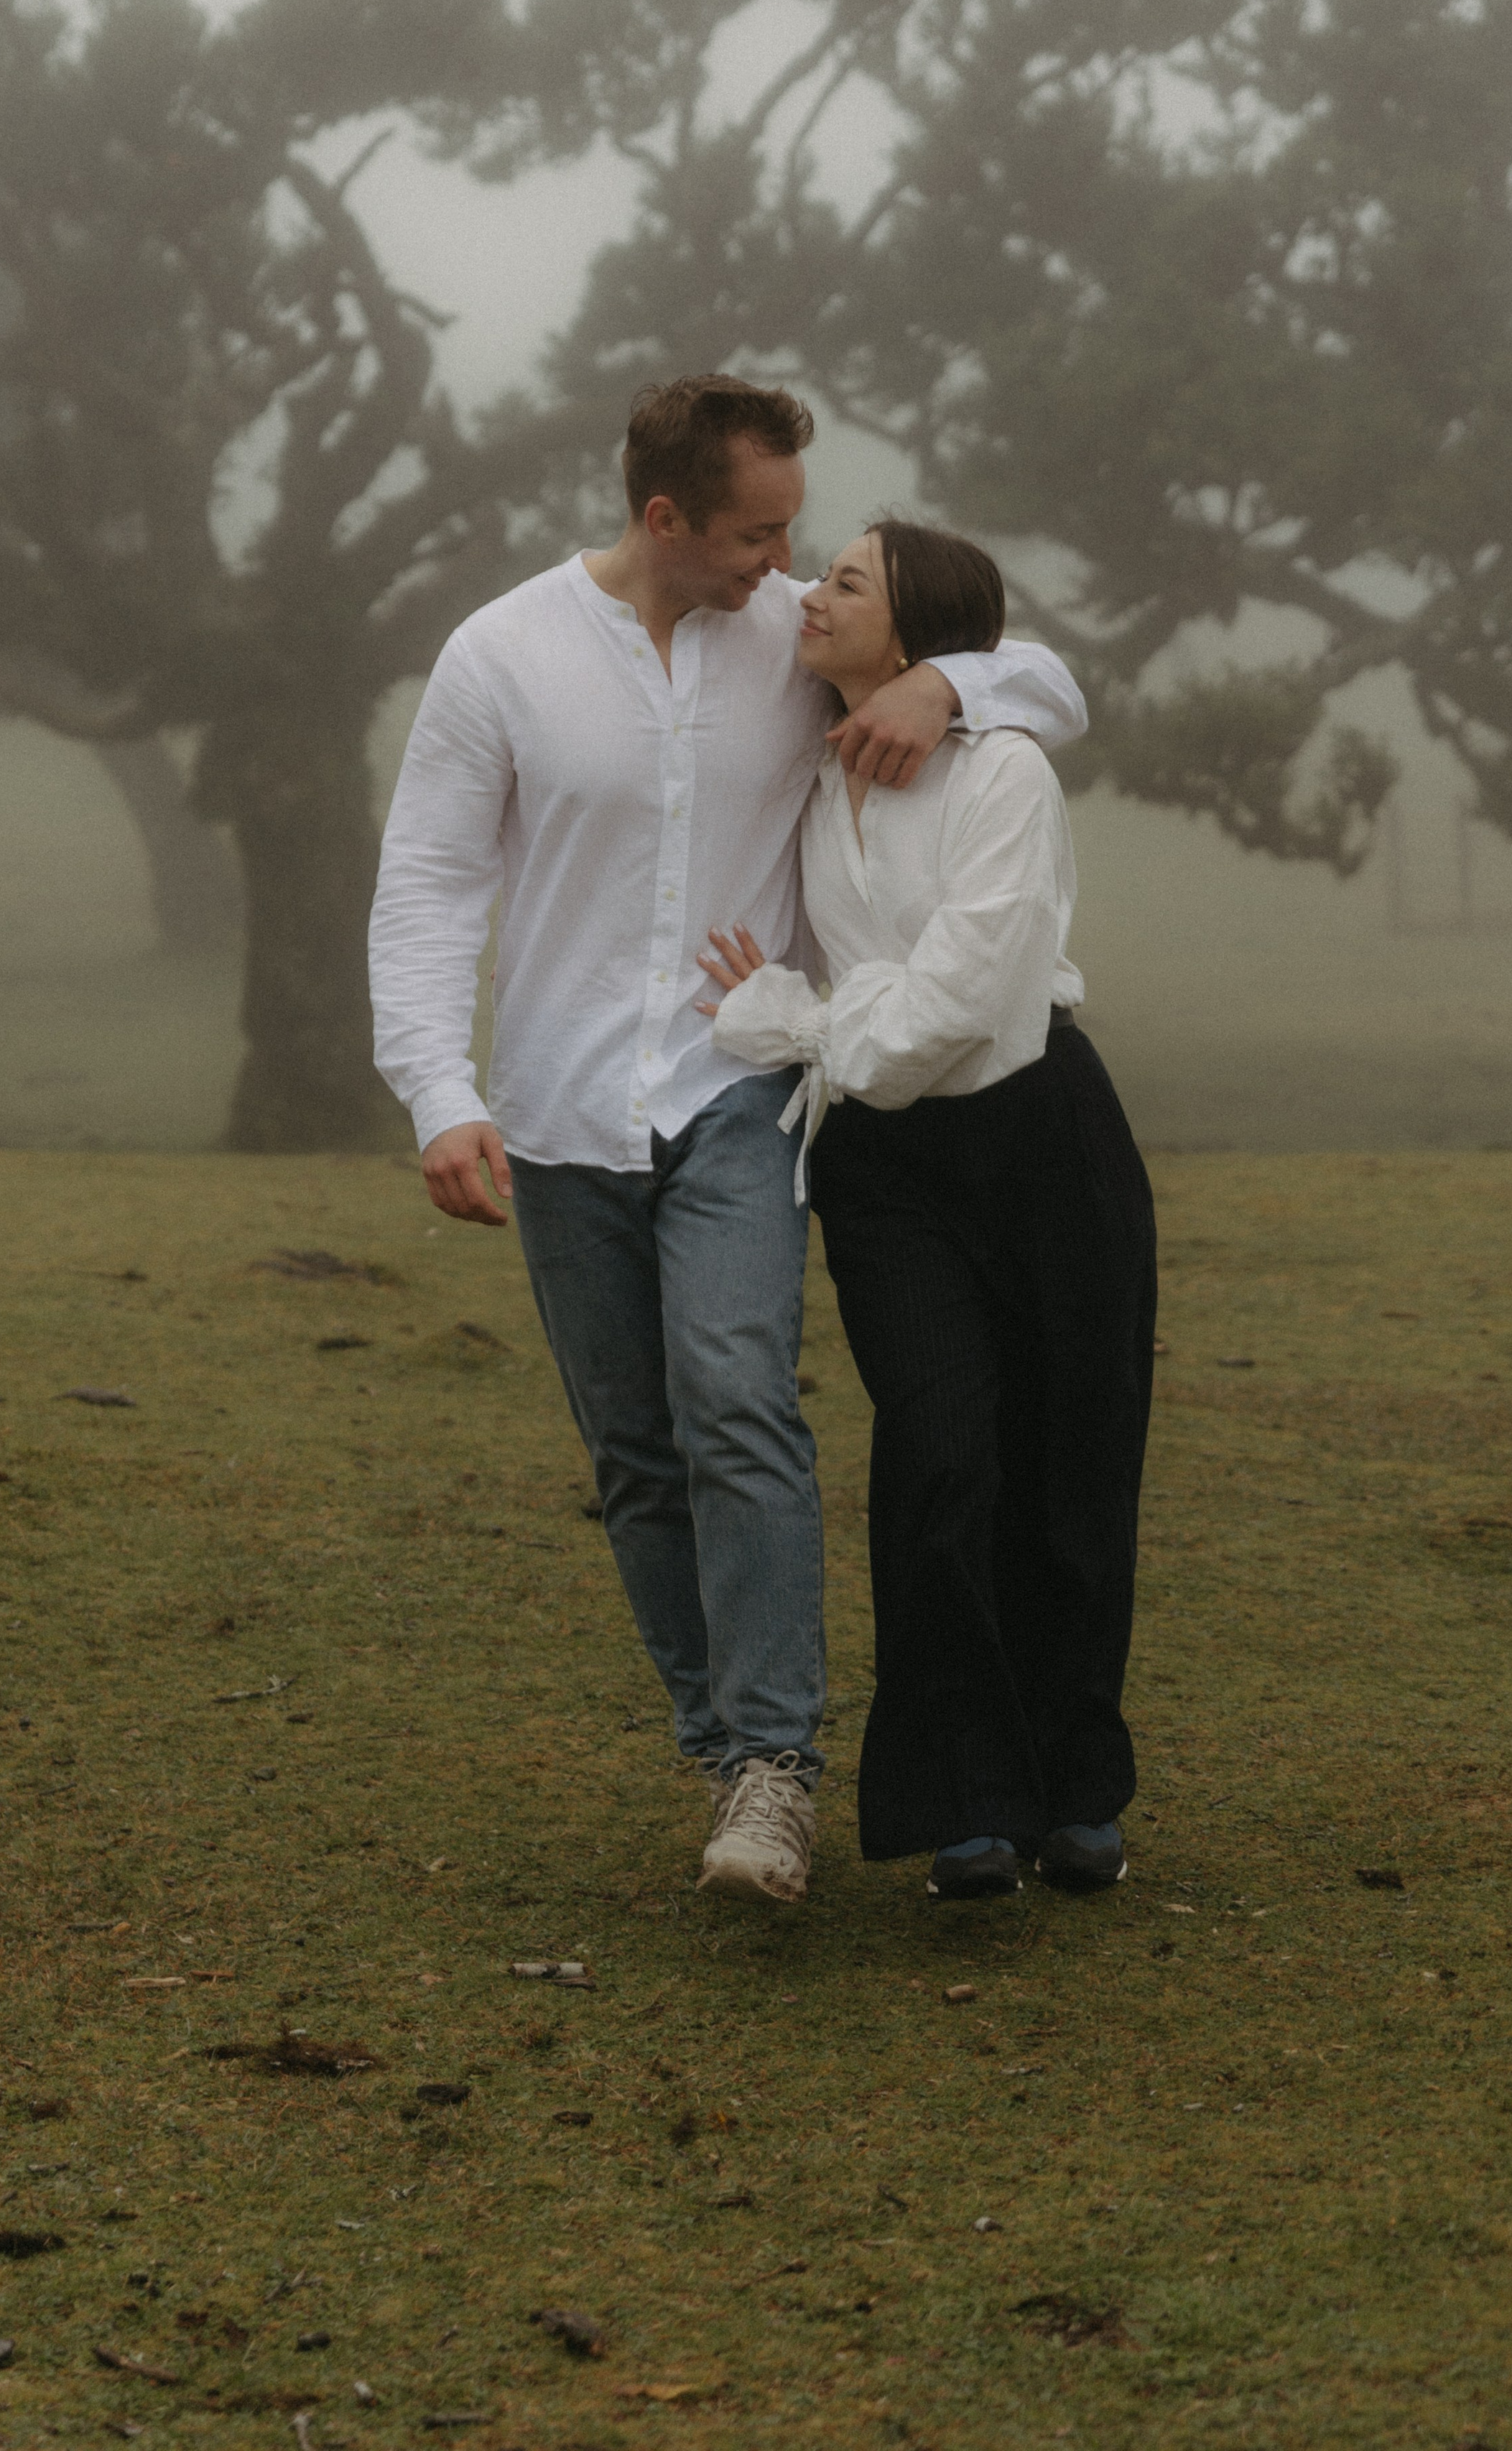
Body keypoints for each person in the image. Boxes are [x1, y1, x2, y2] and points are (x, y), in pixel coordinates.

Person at [368, 376, 1090, 1906]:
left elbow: (1043, 677)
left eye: (791, 531)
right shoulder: (499, 655)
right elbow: (430, 879)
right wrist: (440, 1090)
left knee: (736, 1397)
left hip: (737, 1092)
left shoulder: (793, 641)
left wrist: (950, 691)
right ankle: (719, 1750)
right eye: (758, 529)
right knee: (635, 1456)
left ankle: (775, 1771)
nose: (785, 556)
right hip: (560, 1114)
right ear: (663, 517)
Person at [697, 520, 1156, 1902]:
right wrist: (828, 1028)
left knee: (1073, 1465)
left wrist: (802, 1022)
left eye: (844, 580)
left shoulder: (1002, 770)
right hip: (886, 1178)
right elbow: (885, 1021)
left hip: (1042, 1140)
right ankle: (965, 1798)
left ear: (917, 636)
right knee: (942, 1454)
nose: (809, 593)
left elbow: (959, 1000)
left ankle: (1075, 1786)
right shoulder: (808, 769)